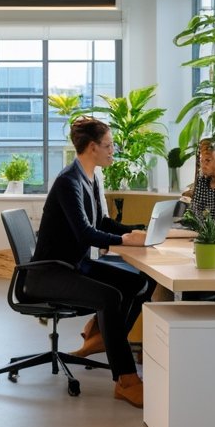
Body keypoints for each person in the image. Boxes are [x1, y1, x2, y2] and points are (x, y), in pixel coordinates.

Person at [27, 117, 153, 408]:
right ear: (93, 147)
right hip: (50, 272)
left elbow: (103, 222)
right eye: (108, 145)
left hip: (76, 264)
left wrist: (137, 230)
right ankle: (125, 380)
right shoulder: (68, 182)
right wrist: (124, 241)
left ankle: (104, 337)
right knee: (109, 297)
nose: (113, 150)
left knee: (138, 282)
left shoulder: (92, 176)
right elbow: (86, 232)